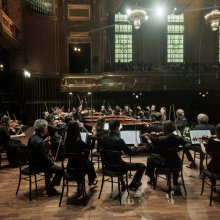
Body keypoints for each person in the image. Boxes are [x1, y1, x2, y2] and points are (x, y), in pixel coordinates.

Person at [100, 119, 146, 191]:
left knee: (117, 160)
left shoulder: (103, 138)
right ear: (118, 127)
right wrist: (135, 146)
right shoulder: (119, 140)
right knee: (142, 166)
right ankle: (133, 184)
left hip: (107, 166)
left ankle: (123, 184)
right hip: (119, 168)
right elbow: (131, 153)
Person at [145, 121, 186, 186]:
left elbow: (153, 149)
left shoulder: (161, 139)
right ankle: (175, 181)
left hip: (165, 162)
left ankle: (152, 179)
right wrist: (179, 136)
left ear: (164, 129)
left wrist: (148, 140)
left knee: (150, 158)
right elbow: (184, 143)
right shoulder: (177, 138)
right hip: (177, 162)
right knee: (171, 158)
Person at [28, 119, 62, 196]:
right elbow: (44, 159)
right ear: (43, 129)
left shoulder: (32, 137)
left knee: (50, 167)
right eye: (46, 127)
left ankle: (49, 187)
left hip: (32, 163)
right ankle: (50, 188)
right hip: (38, 166)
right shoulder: (40, 142)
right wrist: (52, 162)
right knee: (60, 170)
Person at [64, 120, 97, 194]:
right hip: (79, 168)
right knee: (89, 164)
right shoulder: (78, 140)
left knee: (87, 162)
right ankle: (91, 183)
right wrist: (94, 137)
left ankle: (81, 184)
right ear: (76, 129)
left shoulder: (66, 141)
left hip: (70, 166)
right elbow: (90, 147)